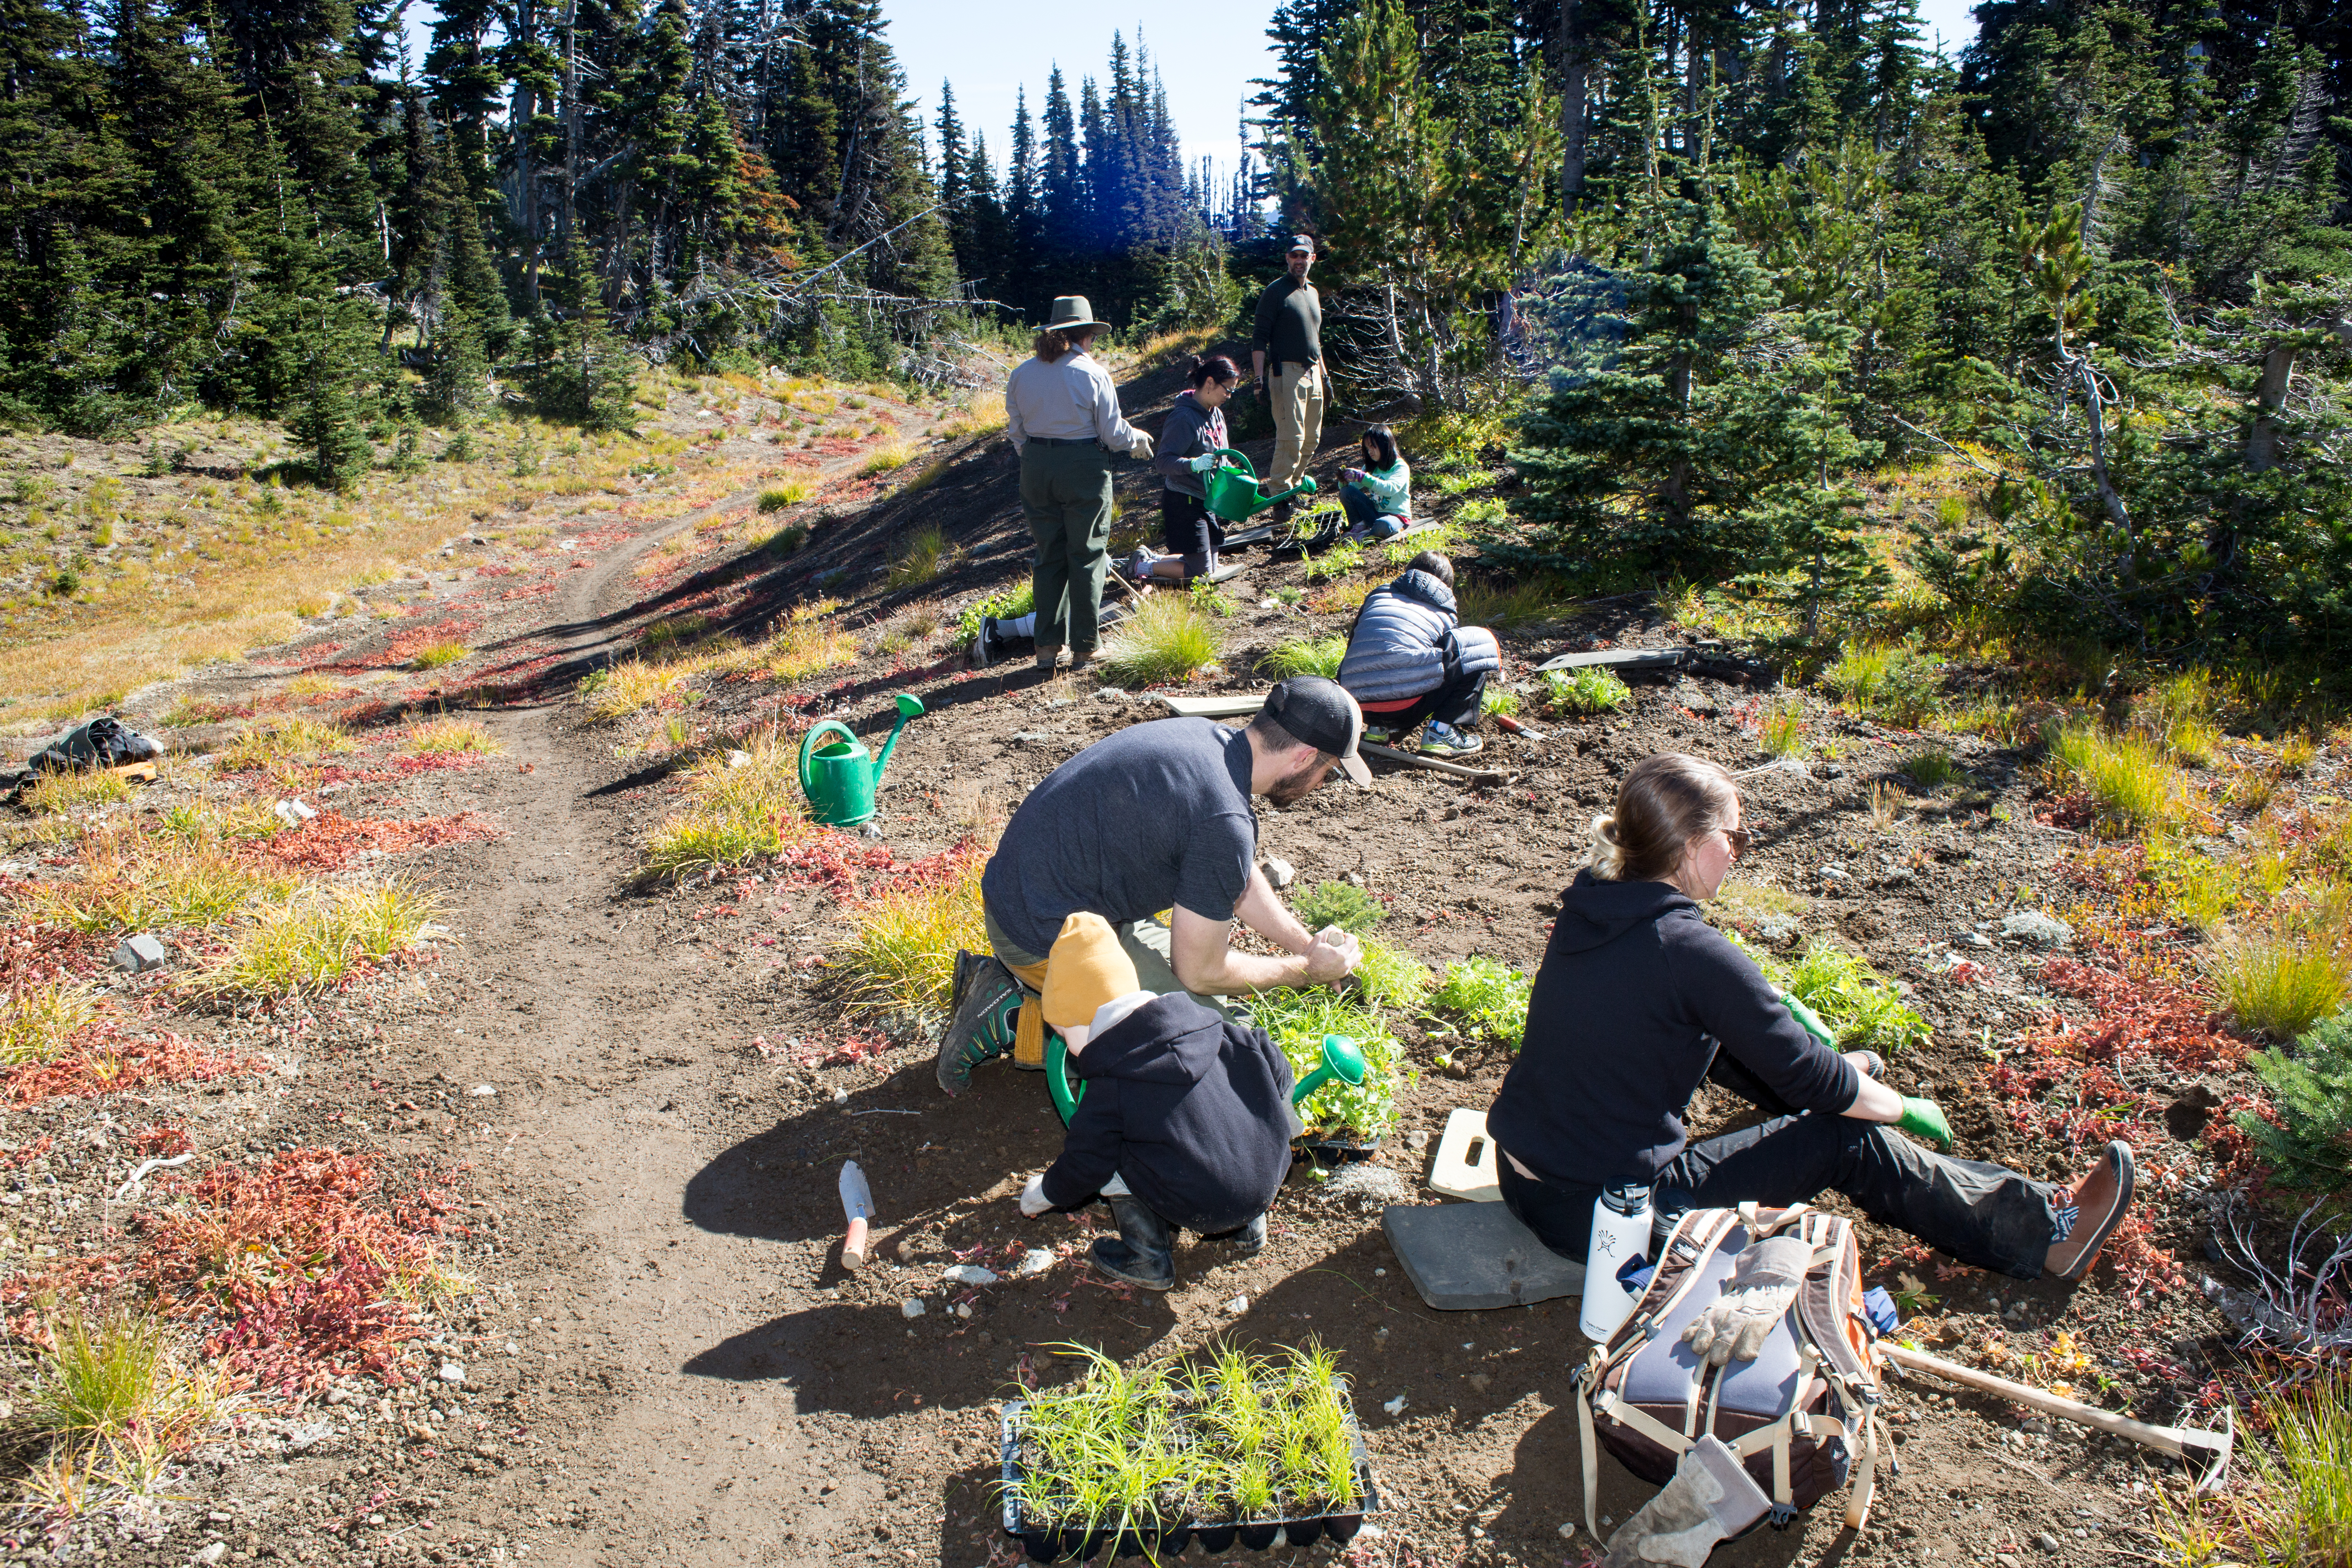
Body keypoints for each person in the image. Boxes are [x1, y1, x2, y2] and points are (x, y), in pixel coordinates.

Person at [1486, 752, 2136, 1285]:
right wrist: (1891, 1104)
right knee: (1845, 1137)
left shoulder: (1595, 903)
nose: (1740, 851)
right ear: (1692, 844)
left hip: (1523, 1178)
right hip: (1611, 1214)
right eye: (1734, 837)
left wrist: (1837, 1078)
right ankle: (2048, 1235)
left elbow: (1705, 1029)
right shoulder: (1690, 951)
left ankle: (1855, 1098)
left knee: (1762, 1057)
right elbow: (1812, 1082)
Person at [935, 676, 1373, 1094]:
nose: (1321, 786)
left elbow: (1233, 874)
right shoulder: (1224, 819)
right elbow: (1201, 972)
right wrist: (1305, 973)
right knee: (1205, 1062)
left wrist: (1304, 945)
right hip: (1037, 934)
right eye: (1329, 771)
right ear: (1303, 757)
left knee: (1218, 1023)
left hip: (1045, 900)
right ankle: (1017, 1017)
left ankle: (1041, 1000)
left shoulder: (1205, 741)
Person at [1016, 911, 1300, 1290]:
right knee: (1226, 1118)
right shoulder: (1214, 1028)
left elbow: (1085, 1164)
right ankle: (1249, 1230)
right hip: (1268, 1173)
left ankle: (1148, 1258)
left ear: (1081, 1024)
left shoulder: (1111, 1091)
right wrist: (1285, 1118)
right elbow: (1267, 1051)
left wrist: (1041, 1195)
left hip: (1204, 1207)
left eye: (1064, 1034)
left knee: (1113, 1159)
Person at [1004, 296, 1155, 672]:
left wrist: (1039, 458)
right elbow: (1114, 434)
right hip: (1083, 465)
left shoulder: (1022, 372)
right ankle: (1086, 648)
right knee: (1086, 555)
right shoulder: (1092, 373)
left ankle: (1046, 649)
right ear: (1086, 335)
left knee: (1048, 555)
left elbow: (1016, 431)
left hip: (1036, 466)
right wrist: (1139, 440)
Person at [1336, 551, 1500, 759]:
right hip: (1405, 709)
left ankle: (1378, 730)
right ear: (1447, 582)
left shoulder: (1379, 594)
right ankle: (1440, 734)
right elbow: (1446, 663)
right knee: (1477, 648)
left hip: (1358, 707)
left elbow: (1353, 644)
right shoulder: (1445, 608)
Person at [1127, 355, 1241, 585]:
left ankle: (1153, 557)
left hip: (1208, 500)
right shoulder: (1183, 418)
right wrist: (1193, 464)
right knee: (1201, 574)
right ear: (1210, 383)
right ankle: (1141, 566)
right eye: (1228, 390)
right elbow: (1163, 462)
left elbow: (1222, 454)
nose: (1229, 396)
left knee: (1211, 565)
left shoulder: (1215, 413)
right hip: (1184, 502)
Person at [1251, 237, 1324, 522]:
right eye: (1294, 256)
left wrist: (1325, 378)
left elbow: (1316, 340)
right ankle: (1280, 497)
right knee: (1291, 436)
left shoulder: (1313, 293)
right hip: (1286, 372)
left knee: (1312, 438)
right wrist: (1259, 380)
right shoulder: (1276, 292)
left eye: (1304, 256)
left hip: (1314, 371)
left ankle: (1292, 490)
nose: (1299, 261)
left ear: (1312, 259)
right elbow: (1259, 338)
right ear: (1287, 258)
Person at [1337, 425, 1412, 543]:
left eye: (1373, 446)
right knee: (1346, 491)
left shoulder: (1400, 467)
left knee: (1383, 525)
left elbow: (1390, 489)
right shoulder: (1371, 467)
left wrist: (1364, 478)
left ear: (1384, 444)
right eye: (1367, 448)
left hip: (1397, 517)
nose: (1370, 451)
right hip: (1375, 514)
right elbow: (1352, 490)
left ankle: (1364, 537)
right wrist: (1344, 482)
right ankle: (1359, 526)